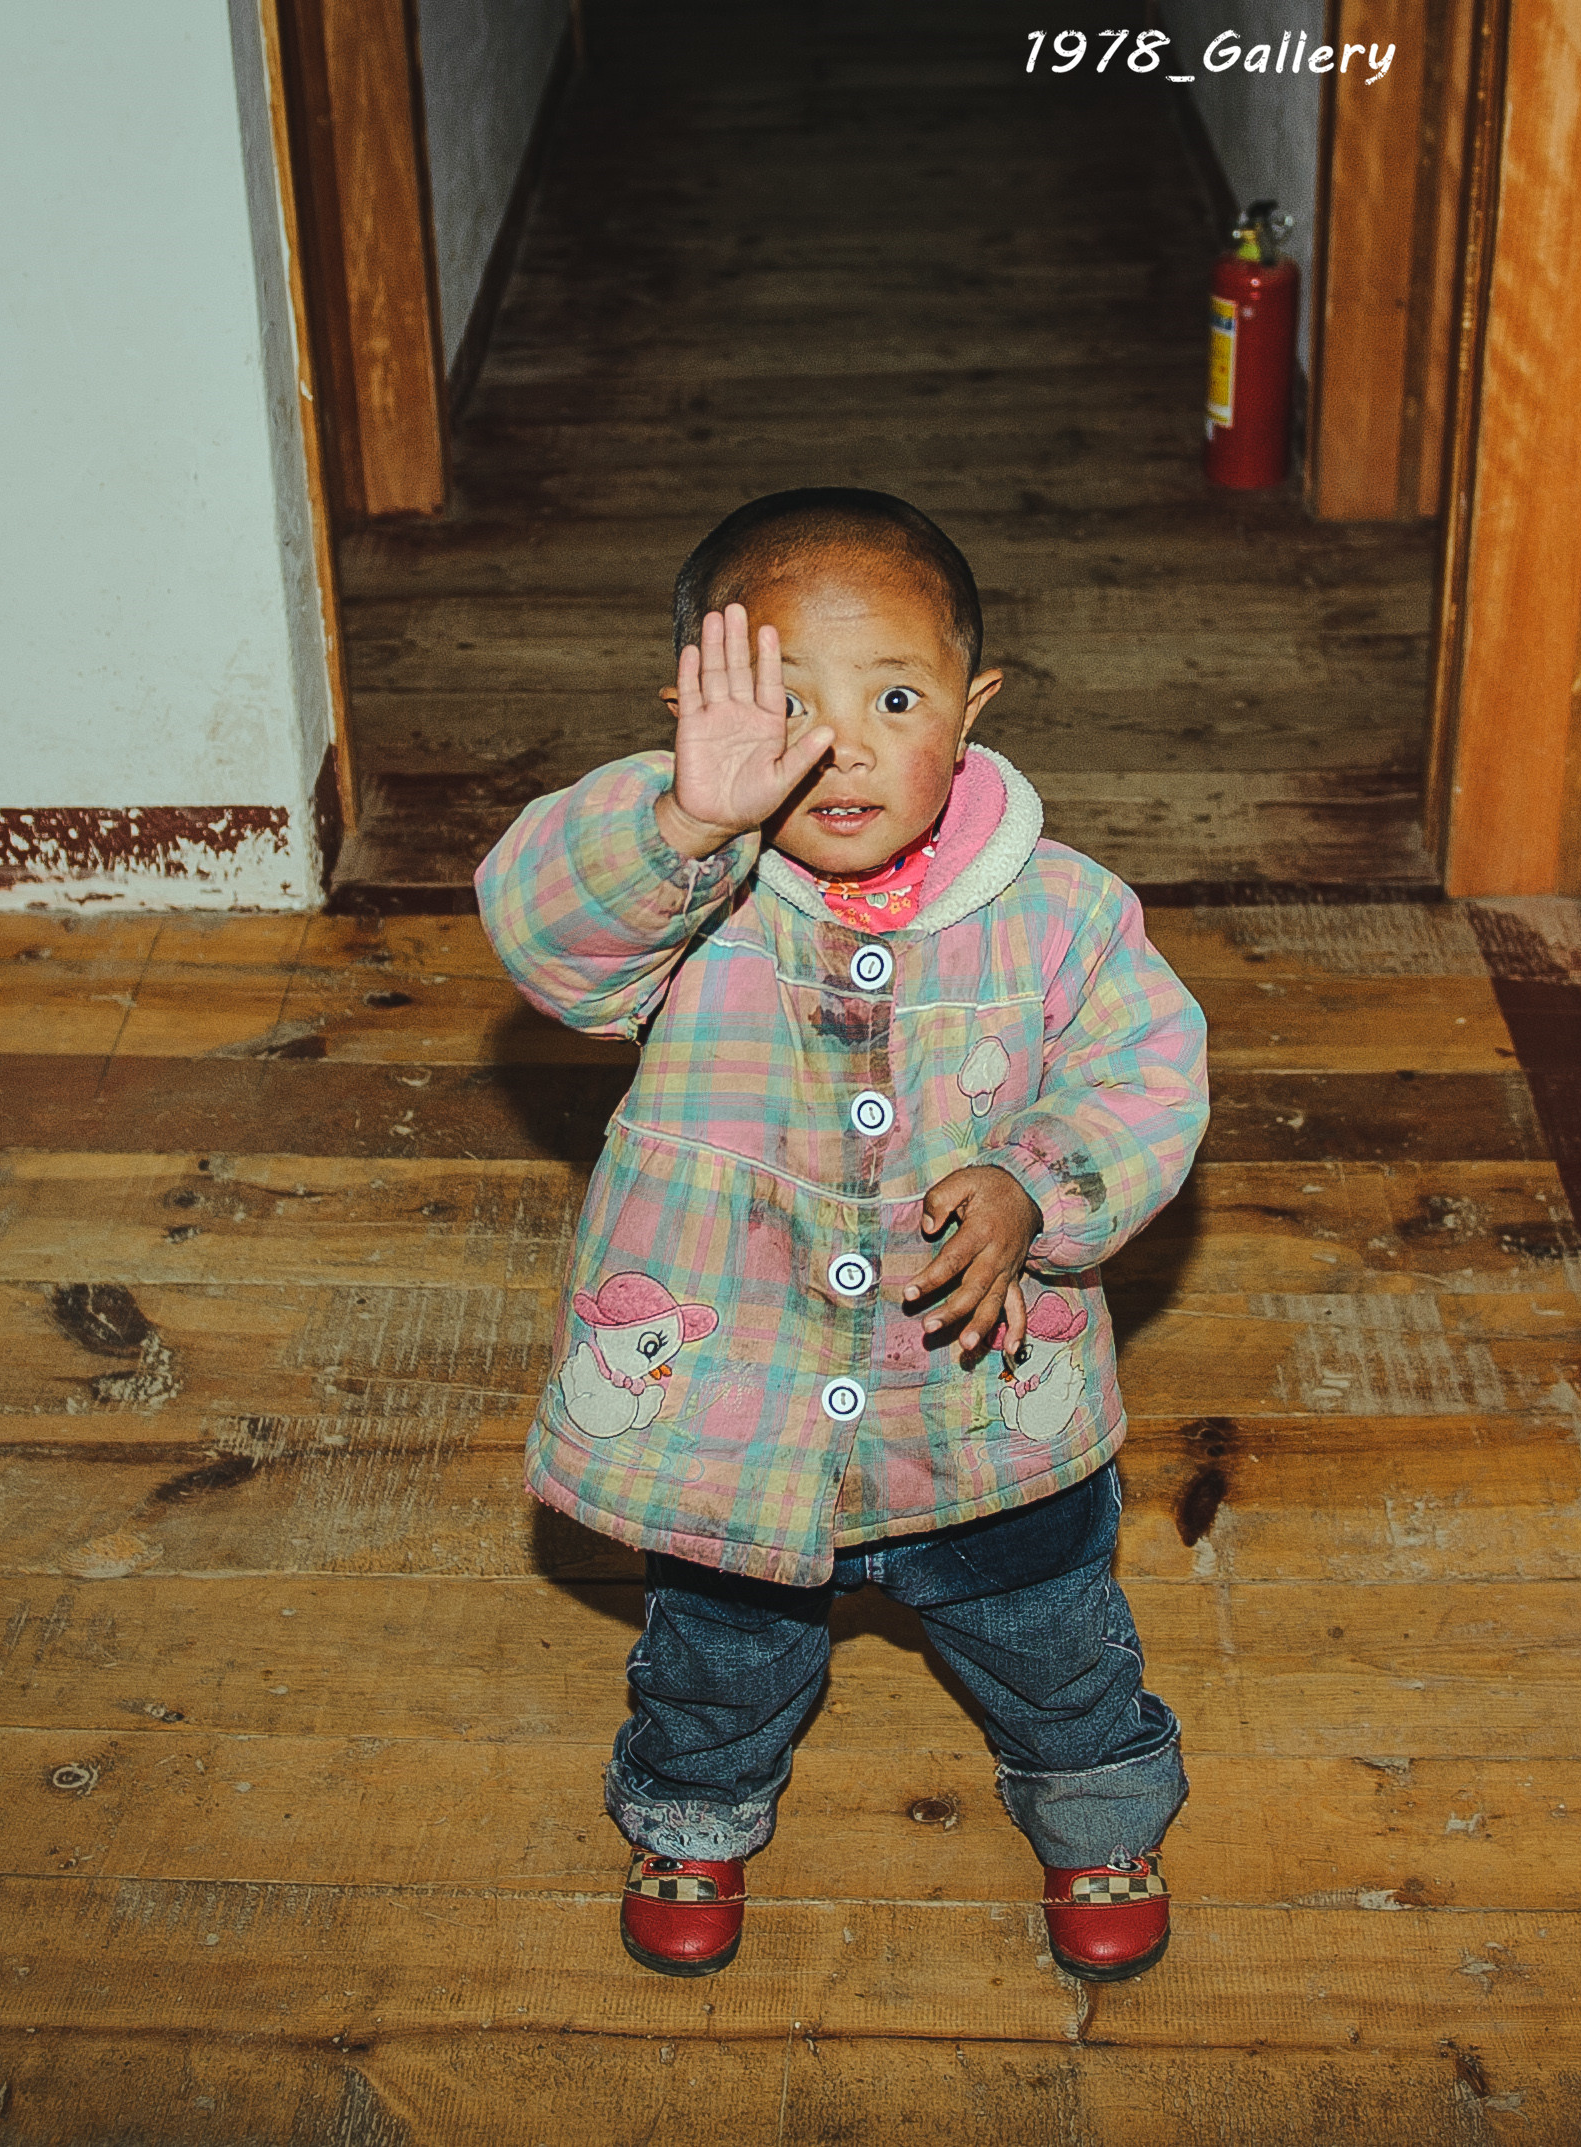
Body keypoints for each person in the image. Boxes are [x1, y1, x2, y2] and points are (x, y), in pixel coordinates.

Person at [476, 488, 1207, 1983]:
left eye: (894, 700)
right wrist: (687, 817)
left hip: (979, 1395)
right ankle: (692, 1810)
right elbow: (545, 941)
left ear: (972, 711)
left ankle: (1098, 1809)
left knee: (1052, 1633)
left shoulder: (1063, 912)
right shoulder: (688, 892)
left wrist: (1035, 1183)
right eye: (788, 704)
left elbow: (1147, 1070)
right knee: (717, 1648)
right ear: (699, 709)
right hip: (733, 1405)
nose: (844, 746)